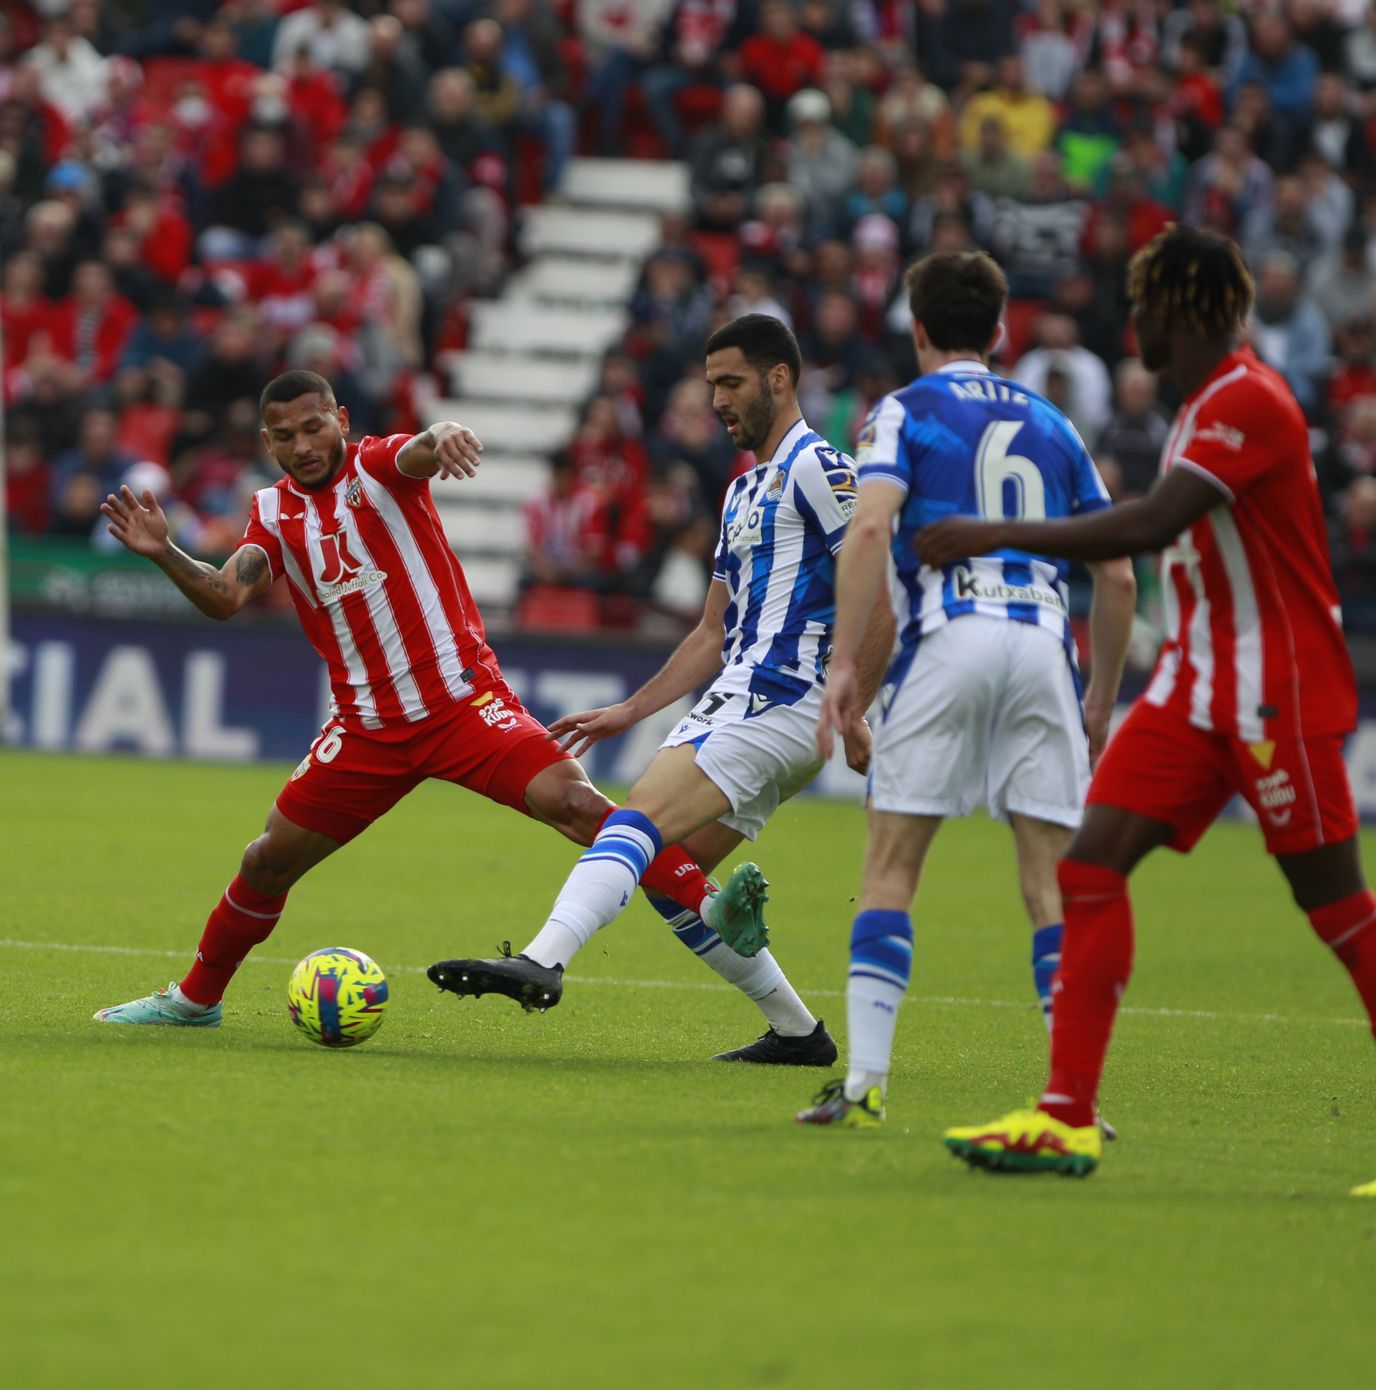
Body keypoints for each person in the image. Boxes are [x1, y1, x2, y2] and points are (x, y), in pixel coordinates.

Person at [93, 371, 774, 1048]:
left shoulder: (377, 466)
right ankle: (195, 1000)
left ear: (341, 418)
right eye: (283, 436)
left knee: (576, 805)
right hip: (366, 731)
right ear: (267, 442)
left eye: (312, 426)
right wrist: (163, 554)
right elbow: (223, 596)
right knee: (266, 861)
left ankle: (715, 908)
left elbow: (420, 447)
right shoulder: (272, 514)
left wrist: (444, 434)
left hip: (463, 708)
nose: (302, 445)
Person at [916, 226, 1373, 1189]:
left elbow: (1153, 521)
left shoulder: (1248, 399)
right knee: (1088, 869)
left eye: (1141, 308)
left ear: (1174, 310)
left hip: (1272, 694)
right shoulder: (1206, 402)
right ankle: (1065, 1119)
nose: (1132, 326)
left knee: (1336, 912)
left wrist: (992, 533)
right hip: (1196, 689)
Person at [427, 316, 898, 1066]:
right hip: (758, 695)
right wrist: (629, 710)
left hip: (779, 695)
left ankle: (544, 959)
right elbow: (711, 632)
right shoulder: (744, 490)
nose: (717, 400)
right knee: (665, 874)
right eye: (711, 385)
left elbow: (882, 599)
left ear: (780, 379)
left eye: (732, 382)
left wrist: (856, 704)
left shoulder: (821, 467)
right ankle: (798, 1032)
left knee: (636, 819)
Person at [797, 250, 1137, 1128]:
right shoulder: (1053, 421)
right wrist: (1098, 698)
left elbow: (871, 523)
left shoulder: (902, 411)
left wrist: (842, 666)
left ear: (916, 330)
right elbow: (1121, 576)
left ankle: (866, 1083)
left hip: (948, 638)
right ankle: (1075, 1101)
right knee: (1050, 886)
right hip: (1040, 648)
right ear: (999, 331)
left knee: (891, 867)